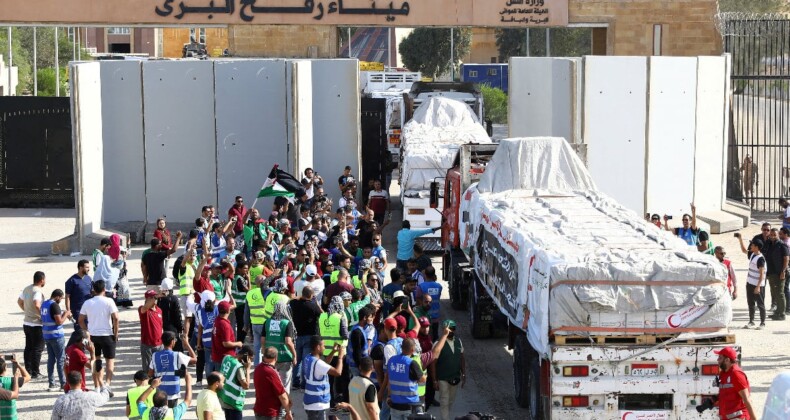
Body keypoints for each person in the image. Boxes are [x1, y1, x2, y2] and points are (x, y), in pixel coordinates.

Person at [79, 280, 120, 394]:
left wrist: (86, 330)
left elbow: (80, 320)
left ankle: (97, 385)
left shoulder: (88, 302)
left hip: (93, 335)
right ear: (104, 290)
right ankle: (107, 384)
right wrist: (115, 333)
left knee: (95, 360)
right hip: (107, 334)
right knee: (109, 361)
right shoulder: (109, 301)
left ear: (93, 290)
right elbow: (116, 318)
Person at [149, 332, 197, 407]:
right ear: (172, 342)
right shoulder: (177, 355)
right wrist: (187, 344)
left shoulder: (155, 355)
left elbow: (150, 373)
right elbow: (195, 359)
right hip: (173, 393)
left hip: (159, 394)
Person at [303, 336, 345, 419]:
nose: (324, 348)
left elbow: (324, 364)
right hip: (317, 404)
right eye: (323, 346)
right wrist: (340, 357)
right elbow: (338, 372)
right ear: (318, 347)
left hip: (311, 402)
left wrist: (333, 351)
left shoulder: (308, 358)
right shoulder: (318, 363)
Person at [261, 300, 297, 395]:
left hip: (270, 357)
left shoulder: (267, 322)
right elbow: (288, 342)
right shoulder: (286, 323)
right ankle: (283, 409)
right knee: (284, 385)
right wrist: (294, 355)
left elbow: (263, 340)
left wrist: (264, 351)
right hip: (284, 357)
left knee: (272, 383)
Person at [431, 320, 465, 420]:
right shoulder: (438, 343)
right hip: (442, 378)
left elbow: (462, 358)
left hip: (455, 377)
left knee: (450, 401)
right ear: (444, 329)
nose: (451, 331)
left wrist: (464, 373)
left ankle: (445, 416)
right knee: (444, 402)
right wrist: (434, 380)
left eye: (453, 329)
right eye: (449, 329)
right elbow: (433, 363)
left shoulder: (458, 341)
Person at [290, 286, 322, 390]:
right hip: (309, 336)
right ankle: (304, 383)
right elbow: (322, 314)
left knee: (297, 359)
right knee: (305, 360)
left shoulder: (294, 304)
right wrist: (317, 303)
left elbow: (291, 301)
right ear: (312, 295)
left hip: (296, 335)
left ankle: (295, 382)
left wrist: (299, 297)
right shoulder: (313, 306)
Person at [712, 346, 757, 419]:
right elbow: (728, 394)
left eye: (720, 358)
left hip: (738, 417)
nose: (718, 360)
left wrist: (754, 418)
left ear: (727, 360)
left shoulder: (736, 374)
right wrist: (714, 400)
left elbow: (747, 399)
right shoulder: (724, 374)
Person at [386, 338, 425, 420]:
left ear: (401, 347)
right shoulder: (411, 363)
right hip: (410, 406)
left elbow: (389, 381)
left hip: (395, 404)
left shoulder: (391, 361)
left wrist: (389, 396)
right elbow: (422, 379)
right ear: (413, 349)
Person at [18, 271, 45, 379]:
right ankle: (35, 372)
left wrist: (26, 311)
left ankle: (28, 370)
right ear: (42, 280)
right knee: (37, 348)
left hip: (26, 322)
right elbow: (37, 304)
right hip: (36, 324)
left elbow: (19, 301)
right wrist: (43, 316)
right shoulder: (37, 291)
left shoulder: (27, 289)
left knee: (28, 347)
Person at [42, 289, 71, 391]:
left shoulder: (44, 304)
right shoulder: (54, 305)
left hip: (47, 335)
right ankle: (63, 384)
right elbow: (59, 322)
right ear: (57, 296)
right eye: (61, 298)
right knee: (60, 360)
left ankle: (52, 383)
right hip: (56, 336)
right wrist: (66, 314)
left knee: (51, 359)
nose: (61, 300)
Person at [254, 347, 294, 420]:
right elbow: (282, 396)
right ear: (276, 358)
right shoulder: (271, 372)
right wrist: (288, 412)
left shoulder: (258, 368)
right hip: (270, 413)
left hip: (259, 410)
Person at [217, 345, 253, 420]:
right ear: (245, 356)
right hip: (234, 402)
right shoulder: (238, 367)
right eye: (250, 358)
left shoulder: (226, 358)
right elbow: (246, 386)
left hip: (225, 398)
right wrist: (248, 369)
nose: (250, 361)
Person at [763, 228, 789, 320]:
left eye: (775, 235)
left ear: (778, 235)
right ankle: (777, 312)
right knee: (774, 292)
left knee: (780, 293)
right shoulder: (769, 244)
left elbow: (786, 259)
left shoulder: (782, 245)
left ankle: (782, 314)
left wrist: (783, 271)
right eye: (771, 235)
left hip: (779, 272)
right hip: (771, 272)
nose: (773, 236)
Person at [65, 260, 92, 339]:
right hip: (77, 311)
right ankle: (78, 349)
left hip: (89, 310)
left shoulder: (89, 279)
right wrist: (68, 311)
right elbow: (67, 297)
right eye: (87, 267)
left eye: (89, 267)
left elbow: (92, 292)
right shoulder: (71, 281)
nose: (88, 269)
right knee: (80, 332)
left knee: (88, 331)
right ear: (80, 268)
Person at [244, 276, 268, 366]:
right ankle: (266, 366)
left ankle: (257, 366)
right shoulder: (266, 292)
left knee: (256, 346)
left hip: (254, 323)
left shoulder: (250, 293)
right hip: (265, 323)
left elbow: (246, 311)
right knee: (266, 346)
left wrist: (246, 325)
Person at [140, 289, 164, 373]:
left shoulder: (159, 310)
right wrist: (156, 296)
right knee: (147, 369)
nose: (155, 299)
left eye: (155, 297)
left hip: (159, 344)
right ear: (147, 299)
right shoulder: (143, 310)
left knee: (159, 368)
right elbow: (145, 307)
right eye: (152, 297)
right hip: (147, 345)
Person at [211, 300, 242, 368]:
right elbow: (226, 343)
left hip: (218, 356)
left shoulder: (217, 319)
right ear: (228, 311)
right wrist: (238, 344)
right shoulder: (224, 325)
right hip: (225, 359)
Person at [158, 278, 186, 351]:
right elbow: (177, 315)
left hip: (162, 328)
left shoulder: (159, 299)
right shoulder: (174, 299)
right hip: (173, 329)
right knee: (178, 350)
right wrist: (180, 328)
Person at [196, 291, 220, 375]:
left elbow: (200, 329)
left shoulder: (200, 312)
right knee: (217, 362)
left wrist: (198, 343)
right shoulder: (217, 309)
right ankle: (217, 381)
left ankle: (210, 381)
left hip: (206, 341)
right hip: (216, 340)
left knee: (208, 362)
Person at [231, 261, 250, 343]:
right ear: (239, 269)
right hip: (241, 305)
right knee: (242, 325)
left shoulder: (235, 277)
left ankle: (239, 341)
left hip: (237, 304)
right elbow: (248, 291)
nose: (247, 270)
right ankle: (240, 342)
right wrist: (249, 279)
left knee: (239, 324)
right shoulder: (239, 279)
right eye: (245, 268)